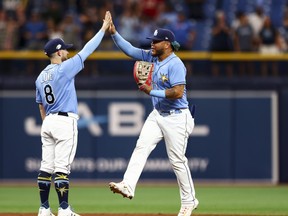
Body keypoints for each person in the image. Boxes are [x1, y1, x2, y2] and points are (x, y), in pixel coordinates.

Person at [108, 17, 199, 216]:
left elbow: (176, 92)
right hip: (158, 114)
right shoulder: (152, 57)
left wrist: (151, 92)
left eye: (156, 41)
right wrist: (114, 33)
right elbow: (130, 51)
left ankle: (189, 201)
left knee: (177, 160)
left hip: (177, 117)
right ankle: (128, 185)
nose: (152, 44)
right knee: (141, 147)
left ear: (167, 44)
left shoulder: (175, 64)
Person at [35, 11, 111, 216]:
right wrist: (103, 30)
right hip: (64, 121)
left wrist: (46, 123)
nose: (68, 52)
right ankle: (64, 210)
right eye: (65, 50)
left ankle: (43, 209)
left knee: (45, 168)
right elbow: (87, 50)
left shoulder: (40, 77)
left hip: (48, 121)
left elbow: (41, 105)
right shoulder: (64, 69)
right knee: (61, 169)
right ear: (58, 53)